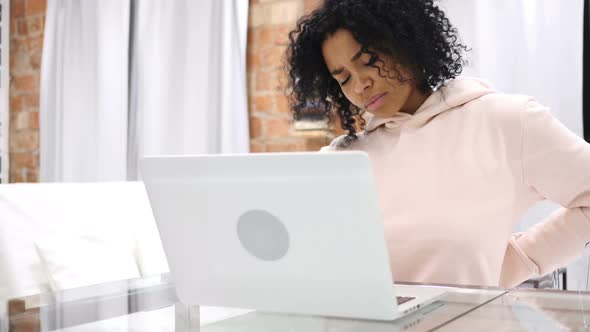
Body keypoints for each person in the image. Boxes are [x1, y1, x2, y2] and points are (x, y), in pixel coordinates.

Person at [285, 0, 590, 288]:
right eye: (343, 79)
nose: (360, 84)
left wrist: (520, 261)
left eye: (370, 61)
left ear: (405, 41)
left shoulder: (506, 121)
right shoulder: (344, 157)